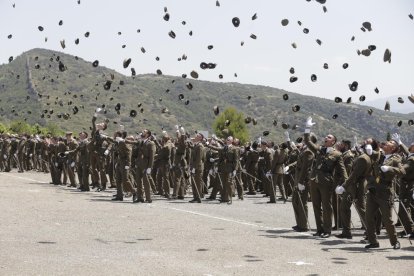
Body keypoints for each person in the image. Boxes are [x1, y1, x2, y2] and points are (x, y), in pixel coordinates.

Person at [303, 117, 348, 238]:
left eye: (329, 137)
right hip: (314, 180)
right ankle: (319, 229)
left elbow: (342, 170)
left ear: (333, 142)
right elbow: (307, 142)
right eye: (326, 136)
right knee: (316, 206)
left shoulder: (337, 154)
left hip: (327, 182)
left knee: (327, 206)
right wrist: (307, 128)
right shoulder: (319, 149)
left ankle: (327, 230)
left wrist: (345, 185)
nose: (326, 138)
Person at [363, 138, 404, 249]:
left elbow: (402, 172)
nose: (386, 143)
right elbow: (372, 155)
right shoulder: (379, 155)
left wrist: (390, 168)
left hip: (385, 191)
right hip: (373, 190)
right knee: (369, 217)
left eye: (390, 143)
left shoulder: (396, 158)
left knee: (387, 219)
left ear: (393, 148)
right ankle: (373, 241)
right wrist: (368, 150)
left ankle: (395, 242)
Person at [335, 140, 377, 239]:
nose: (360, 144)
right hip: (352, 185)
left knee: (362, 210)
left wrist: (343, 186)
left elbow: (354, 175)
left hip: (358, 187)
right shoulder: (362, 156)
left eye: (364, 143)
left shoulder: (363, 158)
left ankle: (370, 234)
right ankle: (346, 232)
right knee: (344, 207)